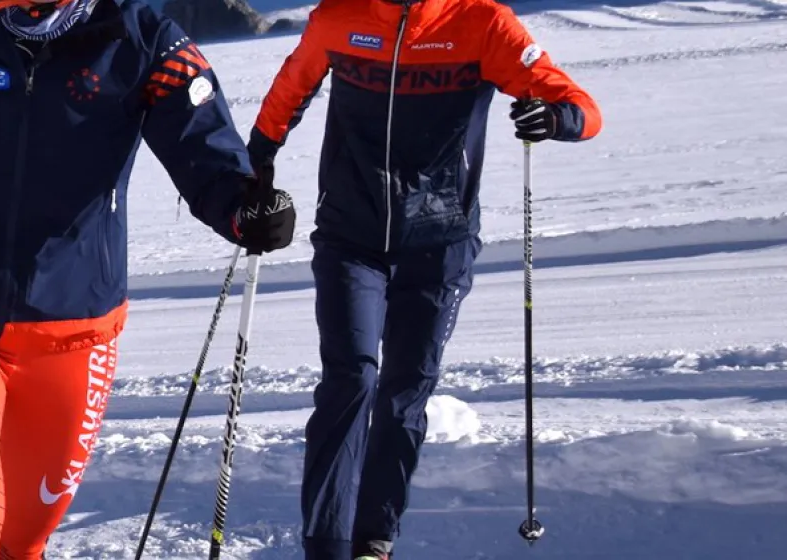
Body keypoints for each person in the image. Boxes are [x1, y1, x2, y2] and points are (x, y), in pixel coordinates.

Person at [0, 0, 299, 557]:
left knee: (22, 541)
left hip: (78, 335)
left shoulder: (141, 39)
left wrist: (242, 206)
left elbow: (203, 145)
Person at [246, 0, 601, 557]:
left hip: (439, 243)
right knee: (352, 380)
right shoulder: (341, 17)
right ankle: (326, 546)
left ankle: (373, 541)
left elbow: (579, 105)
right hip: (350, 235)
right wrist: (258, 159)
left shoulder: (483, 23)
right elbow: (291, 86)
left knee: (404, 392)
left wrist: (559, 119)